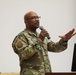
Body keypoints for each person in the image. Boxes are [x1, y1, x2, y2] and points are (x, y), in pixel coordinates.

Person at [12, 11, 76, 75]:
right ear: (26, 21)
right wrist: (39, 40)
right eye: (33, 17)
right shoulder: (21, 37)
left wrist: (64, 40)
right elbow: (24, 55)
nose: (37, 19)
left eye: (38, 17)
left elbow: (55, 48)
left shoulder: (41, 36)